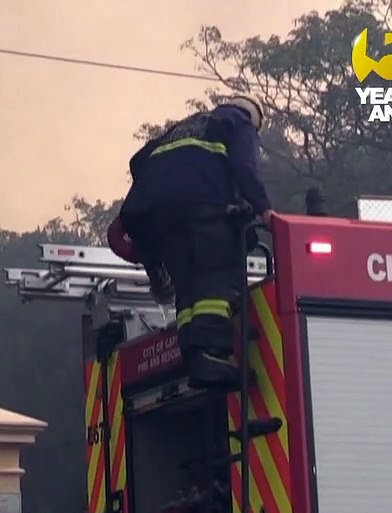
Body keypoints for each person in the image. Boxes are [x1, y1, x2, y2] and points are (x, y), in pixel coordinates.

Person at [118, 95, 276, 390]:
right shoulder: (238, 122)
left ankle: (195, 356)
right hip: (200, 211)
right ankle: (212, 355)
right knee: (216, 279)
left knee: (189, 287)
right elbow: (245, 167)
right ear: (255, 119)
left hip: (156, 217)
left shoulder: (187, 126)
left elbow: (138, 161)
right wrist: (264, 209)